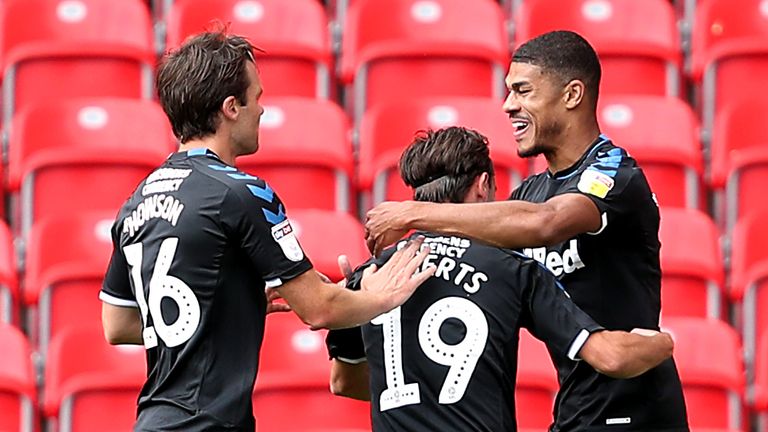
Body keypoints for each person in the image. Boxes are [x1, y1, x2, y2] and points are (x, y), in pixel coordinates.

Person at [98, 31, 434, 432]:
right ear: (231, 108)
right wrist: (381, 297)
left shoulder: (137, 200)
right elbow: (319, 308)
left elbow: (117, 324)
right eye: (256, 98)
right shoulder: (239, 191)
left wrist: (229, 305)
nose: (262, 110)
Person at [364, 31, 689, 431]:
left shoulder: (613, 174)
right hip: (575, 408)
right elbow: (464, 257)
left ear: (572, 95)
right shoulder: (529, 194)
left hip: (634, 410)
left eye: (523, 91)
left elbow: (546, 224)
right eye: (508, 92)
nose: (508, 105)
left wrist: (413, 213)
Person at [327, 126, 675, 432]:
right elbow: (611, 357)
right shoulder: (512, 269)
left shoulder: (373, 276)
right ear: (482, 186)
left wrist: (348, 316)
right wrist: (663, 343)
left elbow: (343, 382)